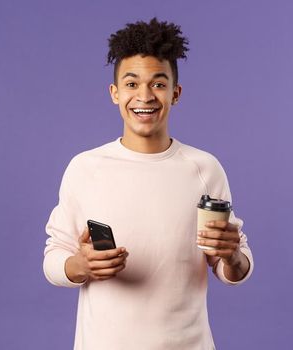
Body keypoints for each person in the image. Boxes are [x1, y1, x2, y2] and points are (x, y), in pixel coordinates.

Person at [43, 17, 254, 349]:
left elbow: (233, 268)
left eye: (158, 83)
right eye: (131, 84)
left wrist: (232, 256)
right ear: (114, 93)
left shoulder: (204, 168)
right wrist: (80, 266)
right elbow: (54, 258)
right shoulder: (86, 168)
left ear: (176, 93)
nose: (144, 96)